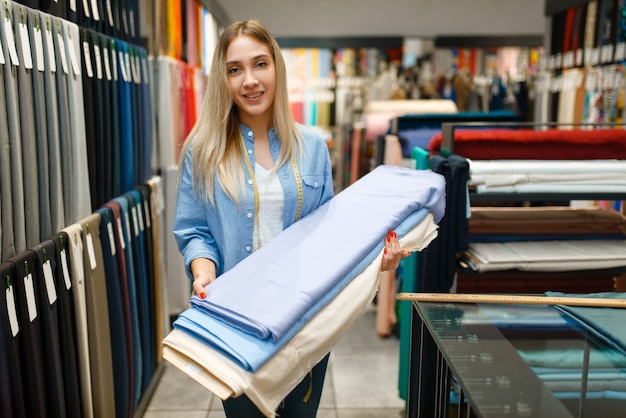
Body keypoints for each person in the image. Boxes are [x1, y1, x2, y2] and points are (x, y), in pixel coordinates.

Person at [173, 19, 408, 418]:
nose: (250, 80)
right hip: (237, 318)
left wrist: (376, 260)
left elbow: (329, 236)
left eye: (260, 64)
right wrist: (203, 269)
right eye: (235, 69)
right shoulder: (204, 148)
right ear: (224, 79)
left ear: (276, 68)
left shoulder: (312, 146)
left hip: (303, 319)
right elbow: (193, 229)